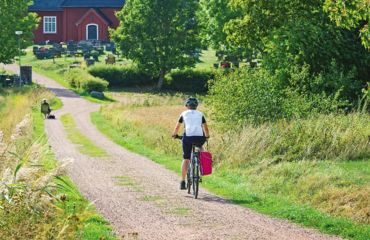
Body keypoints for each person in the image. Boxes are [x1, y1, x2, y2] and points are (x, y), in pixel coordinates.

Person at [172, 97, 210, 190]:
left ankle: (183, 181)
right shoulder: (201, 114)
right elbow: (205, 128)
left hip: (188, 138)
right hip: (199, 138)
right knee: (201, 148)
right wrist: (207, 136)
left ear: (187, 106)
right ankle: (202, 166)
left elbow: (177, 127)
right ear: (196, 106)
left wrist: (174, 135)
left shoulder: (184, 114)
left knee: (186, 159)